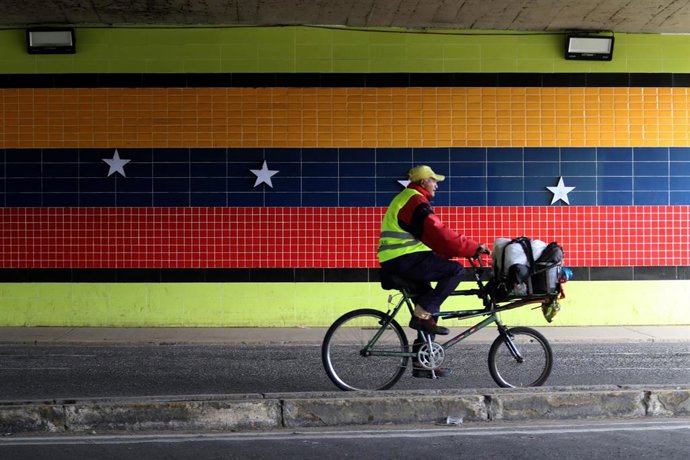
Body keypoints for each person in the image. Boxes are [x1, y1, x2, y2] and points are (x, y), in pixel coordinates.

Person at [378, 165, 489, 377]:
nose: (437, 185)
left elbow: (434, 240)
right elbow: (440, 234)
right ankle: (421, 315)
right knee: (455, 271)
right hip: (403, 258)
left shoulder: (409, 198)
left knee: (430, 304)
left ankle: (422, 363)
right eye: (433, 180)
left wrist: (459, 249)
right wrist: (472, 248)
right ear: (423, 182)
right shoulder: (414, 201)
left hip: (401, 258)